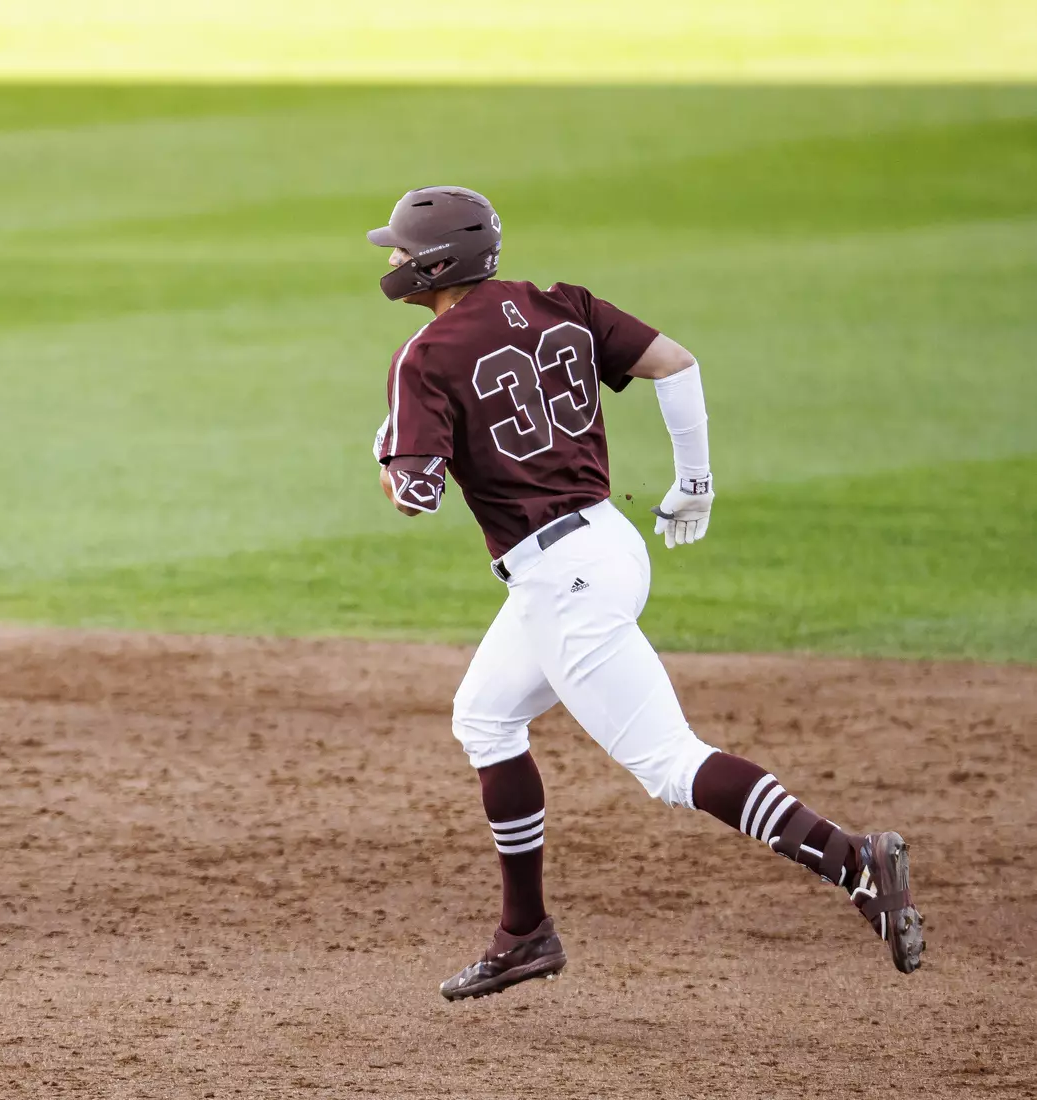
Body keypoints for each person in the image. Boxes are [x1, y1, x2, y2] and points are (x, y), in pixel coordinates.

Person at [365, 186, 925, 1000]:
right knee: (485, 717)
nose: (390, 259)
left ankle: (854, 860)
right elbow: (674, 361)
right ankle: (525, 934)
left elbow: (414, 498)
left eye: (401, 248)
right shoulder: (563, 304)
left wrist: (387, 456)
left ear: (434, 263)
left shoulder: (426, 356)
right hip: (608, 546)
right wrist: (693, 482)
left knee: (670, 764)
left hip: (564, 579)